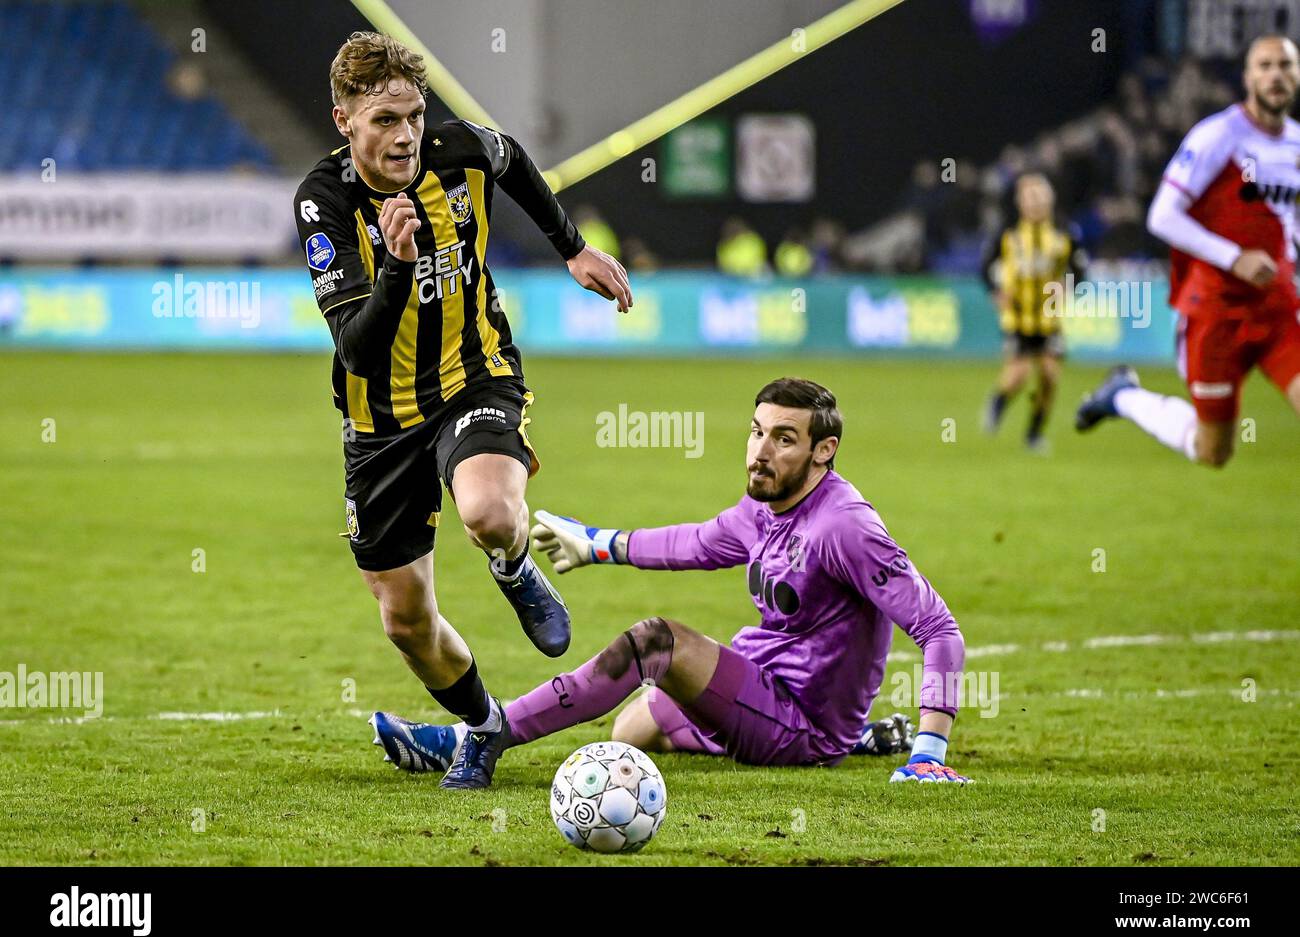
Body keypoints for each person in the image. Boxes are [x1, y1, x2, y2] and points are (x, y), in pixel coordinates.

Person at [292, 32, 631, 789]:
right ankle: (482, 727)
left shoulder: (459, 149)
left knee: (488, 511)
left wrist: (570, 246)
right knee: (405, 620)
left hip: (474, 377)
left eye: (413, 114)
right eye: (384, 119)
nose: (405, 133)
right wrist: (399, 269)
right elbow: (355, 347)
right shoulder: (326, 200)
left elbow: (509, 155)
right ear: (344, 121)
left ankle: (513, 566)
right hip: (378, 421)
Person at [370, 379, 971, 787]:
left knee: (657, 643)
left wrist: (930, 754)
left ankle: (486, 733)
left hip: (799, 719)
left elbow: (939, 629)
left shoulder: (846, 528)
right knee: (633, 727)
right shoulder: (766, 504)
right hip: (762, 680)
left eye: (784, 439)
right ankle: (859, 739)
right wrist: (597, 543)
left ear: (824, 452)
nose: (760, 451)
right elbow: (700, 543)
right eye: (756, 431)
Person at [1077, 35, 1300, 465]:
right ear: (1248, 77)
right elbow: (1162, 216)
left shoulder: (1296, 143)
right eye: (1265, 66)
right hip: (1216, 311)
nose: (1276, 75)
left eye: (1285, 65)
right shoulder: (1218, 136)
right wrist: (1234, 257)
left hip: (1275, 309)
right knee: (1212, 451)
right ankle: (1124, 396)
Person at [982, 172, 1087, 452]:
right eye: (1030, 198)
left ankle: (1034, 434)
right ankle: (998, 401)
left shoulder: (1064, 232)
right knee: (1019, 375)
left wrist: (1068, 287)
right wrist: (996, 291)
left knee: (1050, 377)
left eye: (1040, 197)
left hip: (1050, 320)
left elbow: (1080, 268)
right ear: (1021, 203)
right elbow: (985, 267)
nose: (1036, 203)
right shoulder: (1008, 235)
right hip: (1017, 318)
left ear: (1050, 200)